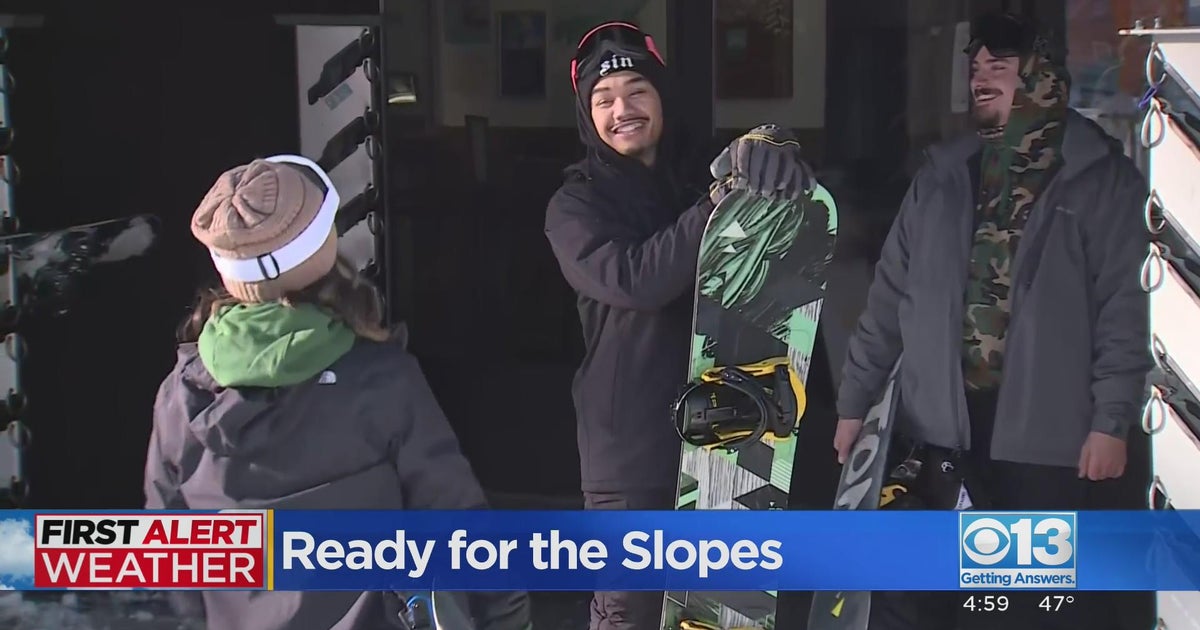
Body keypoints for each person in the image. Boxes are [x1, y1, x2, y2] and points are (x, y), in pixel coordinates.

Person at [833, 11, 1151, 630]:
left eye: (999, 68)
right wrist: (854, 407)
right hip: (941, 435)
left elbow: (1125, 310)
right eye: (974, 68)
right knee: (929, 604)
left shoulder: (1099, 179)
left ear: (1041, 77)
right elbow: (888, 301)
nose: (980, 79)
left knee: (1027, 611)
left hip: (1046, 443)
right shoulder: (941, 178)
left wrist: (1111, 421)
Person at [143, 154, 532, 630]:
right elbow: (458, 521)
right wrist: (506, 617)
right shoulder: (383, 380)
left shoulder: (181, 394)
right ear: (320, 249)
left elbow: (166, 552)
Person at [544, 21, 814, 630]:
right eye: (604, 101)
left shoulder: (703, 173)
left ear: (662, 96)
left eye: (638, 91)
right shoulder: (575, 206)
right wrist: (716, 205)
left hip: (727, 436)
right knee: (630, 612)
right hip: (631, 452)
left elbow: (776, 210)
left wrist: (778, 152)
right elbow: (635, 280)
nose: (623, 110)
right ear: (588, 117)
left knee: (719, 613)